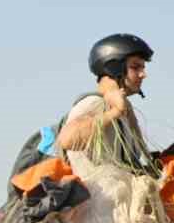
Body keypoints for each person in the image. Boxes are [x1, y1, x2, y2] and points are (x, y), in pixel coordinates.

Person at [54, 34, 154, 162]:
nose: (143, 74)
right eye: (135, 67)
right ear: (114, 68)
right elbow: (67, 140)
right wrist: (115, 112)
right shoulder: (94, 103)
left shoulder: (123, 108)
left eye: (143, 68)